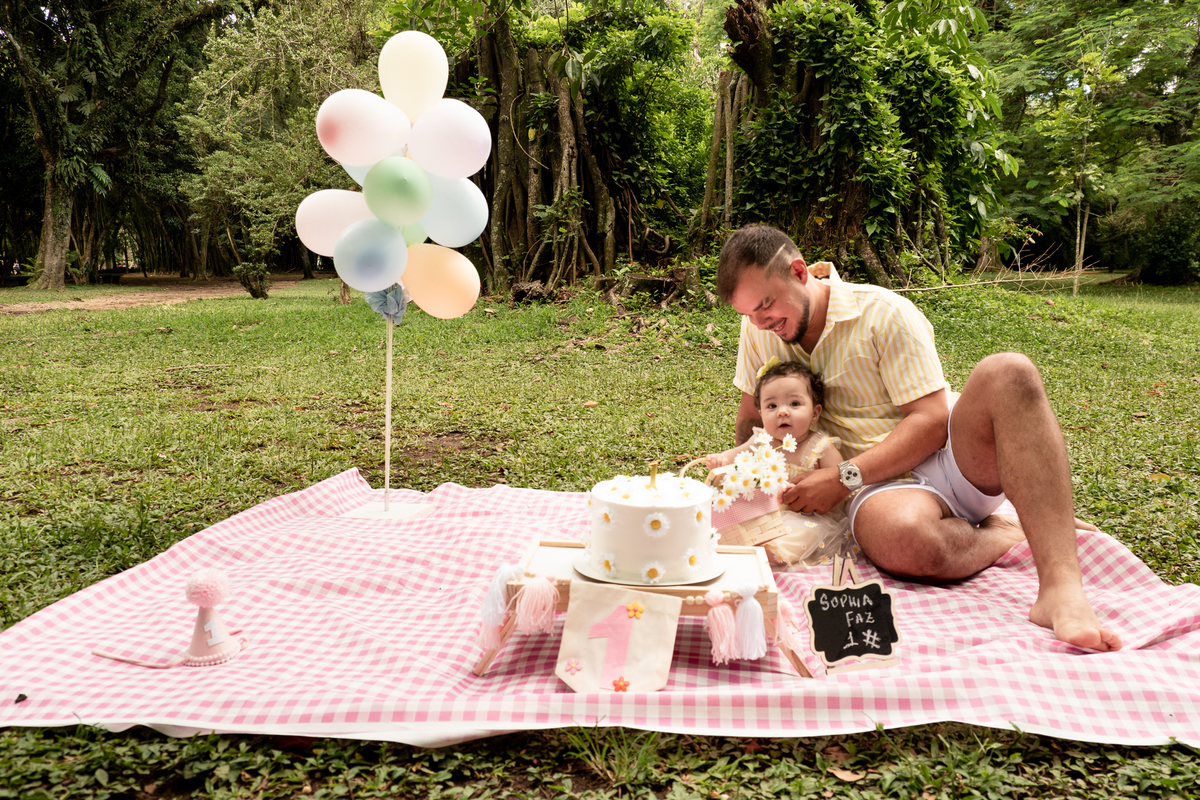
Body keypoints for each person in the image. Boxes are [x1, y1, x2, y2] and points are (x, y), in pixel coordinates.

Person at [716, 223, 1121, 651]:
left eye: (765, 305)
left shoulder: (885, 312)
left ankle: (1061, 588)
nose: (760, 322)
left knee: (1009, 371)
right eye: (748, 315)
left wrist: (840, 480)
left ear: (800, 271)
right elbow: (750, 419)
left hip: (949, 460)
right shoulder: (759, 331)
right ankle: (1007, 531)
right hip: (882, 492)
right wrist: (747, 473)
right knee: (903, 540)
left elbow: (930, 420)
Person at [707, 359, 856, 567]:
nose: (782, 411)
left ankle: (769, 554)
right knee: (725, 522)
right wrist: (721, 460)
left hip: (806, 518)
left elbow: (839, 483)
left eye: (794, 404)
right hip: (762, 516)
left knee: (802, 534)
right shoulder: (760, 440)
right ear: (761, 414)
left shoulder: (819, 447)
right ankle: (739, 546)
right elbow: (735, 457)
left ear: (815, 413)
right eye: (772, 406)